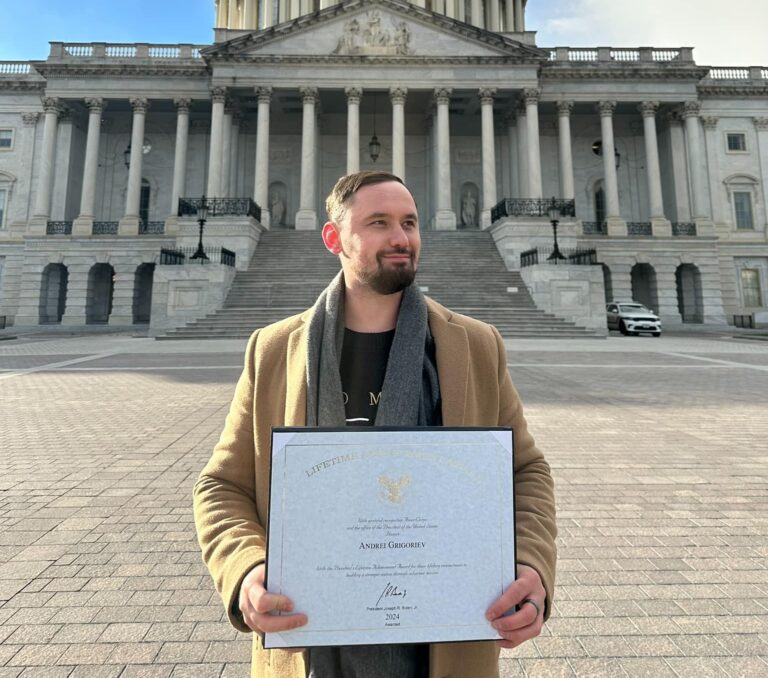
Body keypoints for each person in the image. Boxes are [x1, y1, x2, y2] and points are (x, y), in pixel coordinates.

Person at [193, 171, 557, 678]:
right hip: (310, 645)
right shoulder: (274, 350)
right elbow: (221, 486)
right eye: (379, 223)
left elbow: (526, 472)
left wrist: (531, 564)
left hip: (445, 645)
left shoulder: (474, 346)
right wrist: (247, 569)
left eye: (409, 222)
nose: (400, 238)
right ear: (333, 238)